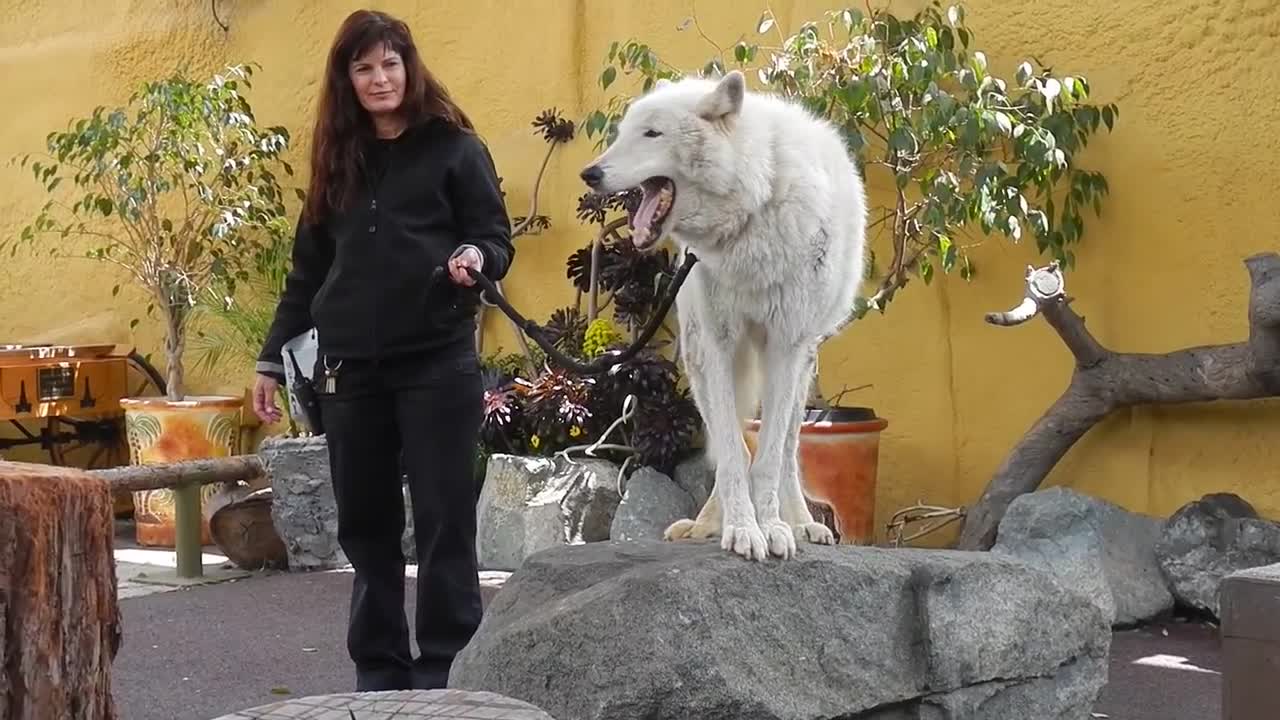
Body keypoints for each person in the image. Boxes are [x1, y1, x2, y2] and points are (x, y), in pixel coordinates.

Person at [251, 9, 514, 692]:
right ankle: (378, 666)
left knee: (443, 517)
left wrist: (473, 253)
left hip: (436, 360)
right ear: (348, 79)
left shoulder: (456, 149)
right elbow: (307, 273)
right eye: (363, 67)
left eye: (389, 63)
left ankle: (447, 665)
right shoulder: (337, 159)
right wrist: (270, 360)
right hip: (349, 372)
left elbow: (495, 237)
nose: (379, 78)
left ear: (409, 67)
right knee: (366, 527)